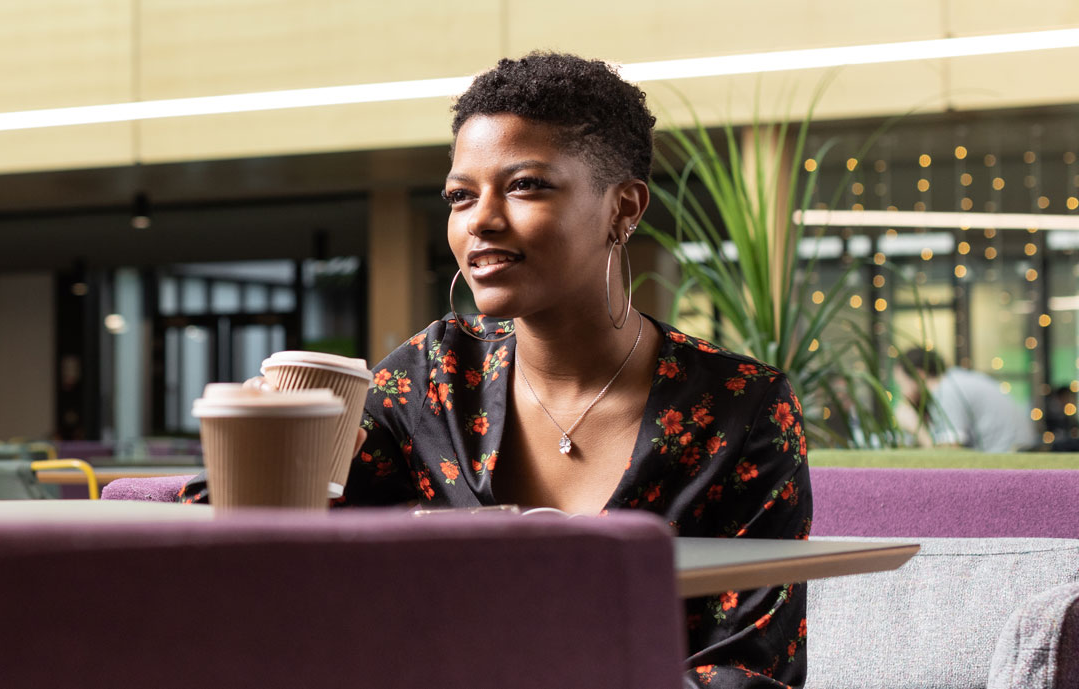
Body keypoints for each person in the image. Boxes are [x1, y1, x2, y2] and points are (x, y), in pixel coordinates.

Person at [180, 53, 810, 688]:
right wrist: (275, 445)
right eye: (460, 195)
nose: (480, 219)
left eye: (525, 185)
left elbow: (752, 670)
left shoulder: (742, 407)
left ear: (623, 208)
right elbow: (233, 545)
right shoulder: (434, 378)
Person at [897, 348, 1036, 453]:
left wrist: (917, 428)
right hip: (1017, 452)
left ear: (919, 375)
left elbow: (949, 455)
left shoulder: (947, 391)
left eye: (901, 383)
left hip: (1005, 459)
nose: (902, 391)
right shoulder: (956, 378)